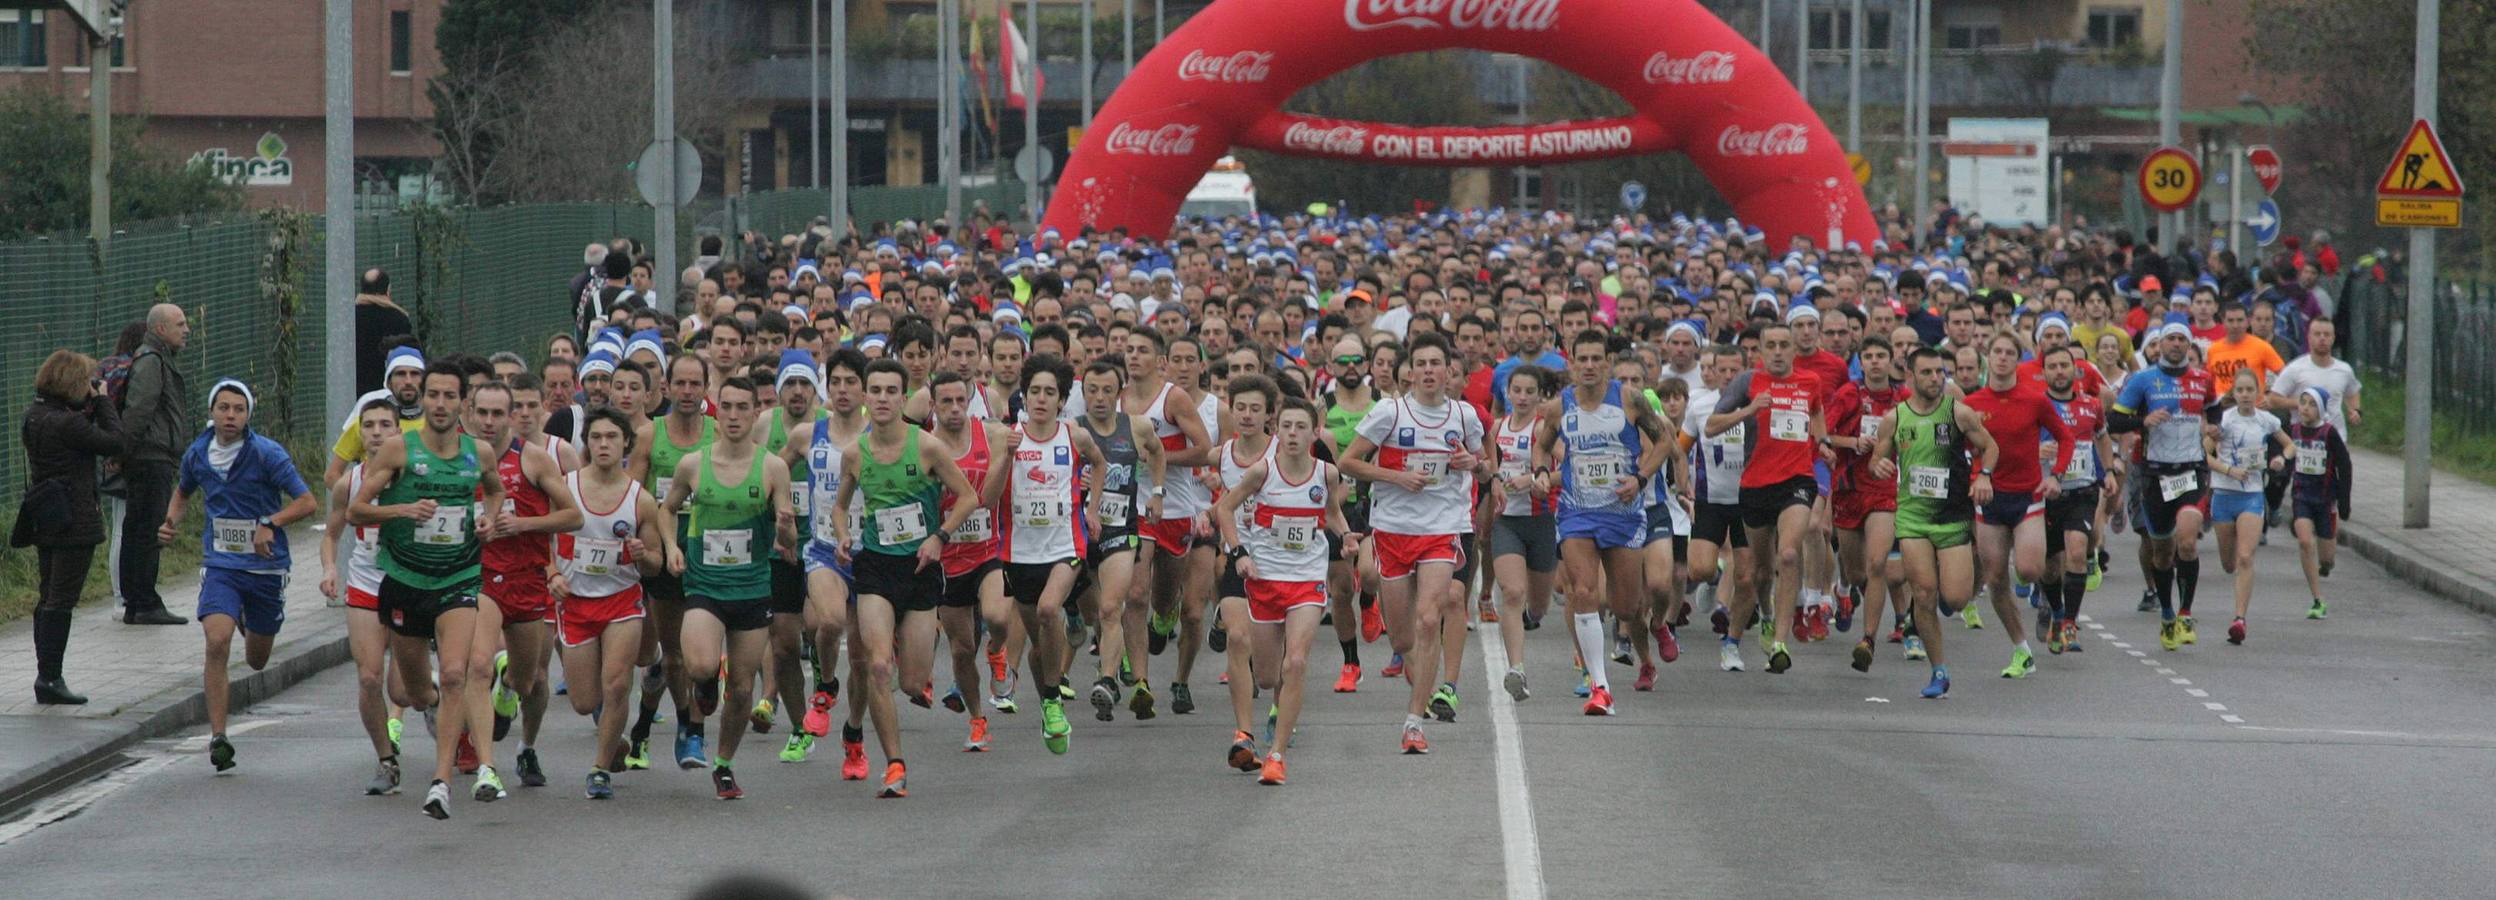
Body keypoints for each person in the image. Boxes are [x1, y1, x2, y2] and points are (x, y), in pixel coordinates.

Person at [349, 360, 504, 820]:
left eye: (448, 396)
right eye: (432, 395)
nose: (439, 404)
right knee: (414, 691)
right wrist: (403, 512)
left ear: (464, 404)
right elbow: (357, 510)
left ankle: (441, 782)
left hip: (458, 579)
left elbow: (492, 492)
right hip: (404, 582)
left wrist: (488, 519)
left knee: (456, 673)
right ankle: (430, 702)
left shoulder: (480, 453)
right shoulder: (398, 450)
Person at [830, 360, 984, 797]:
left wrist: (940, 536)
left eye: (889, 391)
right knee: (878, 667)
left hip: (919, 569)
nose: (881, 398)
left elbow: (969, 497)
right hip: (876, 567)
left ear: (904, 398)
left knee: (912, 682)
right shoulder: (855, 453)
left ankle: (908, 654)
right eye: (873, 390)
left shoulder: (928, 447)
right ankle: (894, 764)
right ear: (865, 397)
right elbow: (841, 506)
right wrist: (843, 537)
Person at [161, 379, 319, 771]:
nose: (230, 415)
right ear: (211, 412)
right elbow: (183, 492)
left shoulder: (267, 454)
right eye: (223, 408)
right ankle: (219, 737)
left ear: (247, 416)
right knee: (217, 640)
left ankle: (250, 618)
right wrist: (170, 523)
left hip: (266, 568)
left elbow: (308, 501)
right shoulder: (197, 453)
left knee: (258, 660)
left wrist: (271, 521)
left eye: (238, 409)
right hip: (221, 566)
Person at [1340, 333, 1486, 754]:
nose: (1427, 371)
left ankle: (1413, 722)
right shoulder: (1391, 413)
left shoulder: (1464, 416)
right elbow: (1348, 462)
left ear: (1448, 371)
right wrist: (1396, 477)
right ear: (1409, 373)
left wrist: (1471, 464)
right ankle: (1411, 663)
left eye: (1435, 363)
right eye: (1420, 364)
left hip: (1442, 527)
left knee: (1429, 619)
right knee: (1404, 638)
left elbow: (1484, 467)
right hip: (1393, 529)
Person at [660, 375, 795, 799]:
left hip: (753, 588)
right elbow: (666, 509)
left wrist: (786, 530)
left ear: (756, 413)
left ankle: (723, 763)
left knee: (740, 688)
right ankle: (703, 684)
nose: (734, 416)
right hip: (705, 583)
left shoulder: (773, 466)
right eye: (727, 407)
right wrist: (670, 548)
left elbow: (787, 541)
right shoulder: (694, 464)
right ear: (715, 413)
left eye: (743, 408)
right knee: (699, 665)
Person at [1532, 330, 1673, 714]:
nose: (1590, 366)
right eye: (1583, 359)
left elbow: (1665, 441)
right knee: (1582, 591)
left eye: (1598, 359)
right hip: (1577, 512)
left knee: (1626, 607)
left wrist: (1641, 478)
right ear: (1572, 364)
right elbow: (1542, 446)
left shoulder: (1630, 400)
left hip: (1623, 513)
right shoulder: (1560, 407)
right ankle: (1601, 686)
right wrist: (1543, 473)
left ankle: (1645, 658)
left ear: (1607, 364)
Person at [1212, 396, 1351, 786]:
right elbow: (1225, 509)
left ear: (1313, 433)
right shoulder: (1261, 472)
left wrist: (1346, 536)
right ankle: (1269, 718)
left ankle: (1277, 756)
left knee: (1297, 664)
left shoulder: (1326, 474)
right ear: (1278, 429)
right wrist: (1239, 553)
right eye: (1286, 427)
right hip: (1265, 580)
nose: (1292, 434)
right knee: (1270, 676)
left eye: (1300, 427)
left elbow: (1331, 514)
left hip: (1306, 580)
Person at [471, 376, 583, 790]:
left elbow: (574, 516)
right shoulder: (460, 460)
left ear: (513, 416)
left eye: (499, 413)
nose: (490, 421)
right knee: (478, 665)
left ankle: (526, 745)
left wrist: (522, 524)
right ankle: (486, 767)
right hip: (480, 578)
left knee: (531, 678)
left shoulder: (534, 460)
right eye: (482, 412)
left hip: (528, 579)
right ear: (470, 413)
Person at [1869, 347, 2000, 699]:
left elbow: (1990, 447)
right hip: (1912, 517)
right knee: (1924, 593)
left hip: (1952, 515)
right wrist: (1878, 466)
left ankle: (1964, 575)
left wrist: (1984, 475)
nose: (1934, 379)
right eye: (1926, 373)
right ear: (1910, 377)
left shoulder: (1958, 413)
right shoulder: (1894, 418)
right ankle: (1939, 669)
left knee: (1955, 599)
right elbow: (1878, 459)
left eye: (1939, 372)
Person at [553, 405, 670, 799]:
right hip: (576, 604)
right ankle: (613, 740)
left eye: (612, 438)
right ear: (587, 443)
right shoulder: (564, 487)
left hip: (622, 601)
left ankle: (600, 769)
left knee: (617, 685)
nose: (604, 444)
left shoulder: (641, 500)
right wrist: (551, 575)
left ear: (625, 445)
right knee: (585, 701)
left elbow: (655, 565)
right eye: (597, 437)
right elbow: (541, 543)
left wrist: (643, 554)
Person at [1706, 324, 1826, 676]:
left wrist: (1824, 442)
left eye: (1783, 345)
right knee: (1755, 574)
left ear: (1794, 350)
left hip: (1798, 481)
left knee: (1788, 554)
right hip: (1756, 484)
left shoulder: (1810, 382)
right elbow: (1712, 426)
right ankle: (1735, 639)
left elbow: (1816, 411)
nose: (1777, 351)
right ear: (1760, 350)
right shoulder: (1747, 383)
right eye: (1770, 345)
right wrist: (1750, 410)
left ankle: (1780, 644)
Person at [1961, 333, 2073, 679]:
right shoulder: (1972, 403)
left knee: (2028, 570)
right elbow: (1962, 450)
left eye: (2010, 353)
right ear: (1987, 357)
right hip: (1990, 498)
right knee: (1995, 579)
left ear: (2018, 360)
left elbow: (2065, 437)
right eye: (1997, 351)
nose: (2003, 358)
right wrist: (1975, 477)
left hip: (2027, 496)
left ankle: (2049, 601)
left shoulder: (2034, 399)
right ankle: (2021, 650)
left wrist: (2055, 475)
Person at [319, 398, 416, 794]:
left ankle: (432, 697)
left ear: (398, 432)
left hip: (409, 583)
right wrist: (329, 569)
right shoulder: (350, 482)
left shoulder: (417, 475)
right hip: (365, 584)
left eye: (384, 424)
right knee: (369, 677)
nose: (376, 432)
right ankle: (385, 760)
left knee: (403, 690)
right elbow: (331, 535)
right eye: (369, 425)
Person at [19, 350, 125, 705]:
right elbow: (115, 441)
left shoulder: (35, 415)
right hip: (75, 516)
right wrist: (105, 401)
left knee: (48, 593)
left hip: (46, 511)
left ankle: (45, 673)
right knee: (61, 599)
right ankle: (50, 677)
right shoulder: (68, 424)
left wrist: (87, 406)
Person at [2110, 317, 2217, 652]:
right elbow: (2113, 419)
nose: (2175, 345)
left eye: (2181, 340)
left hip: (2191, 472)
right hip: (2155, 474)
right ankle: (2168, 612)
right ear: (2159, 345)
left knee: (2186, 541)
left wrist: (2212, 430)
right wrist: (2142, 421)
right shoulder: (2144, 380)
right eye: (2169, 339)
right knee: (2161, 552)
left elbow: (2214, 411)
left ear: (2190, 346)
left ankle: (2186, 613)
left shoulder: (2202, 379)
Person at [1075, 359, 1167, 720]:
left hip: (1120, 528)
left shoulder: (1137, 427)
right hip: (1078, 533)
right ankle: (1103, 649)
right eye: (1092, 391)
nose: (1099, 398)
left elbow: (1158, 452)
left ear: (1120, 392)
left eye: (1107, 391)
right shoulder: (1072, 430)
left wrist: (1156, 492)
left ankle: (1108, 681)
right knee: (1093, 614)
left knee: (1113, 608)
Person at [116, 303, 195, 626]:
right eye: (180, 323)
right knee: (147, 529)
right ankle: (144, 601)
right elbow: (138, 411)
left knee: (137, 528)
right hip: (150, 457)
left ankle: (136, 601)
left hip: (150, 456)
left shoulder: (156, 358)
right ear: (160, 329)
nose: (186, 329)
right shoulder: (151, 360)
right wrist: (124, 451)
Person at [1486, 364, 1557, 698]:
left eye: (1531, 391)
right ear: (1507, 393)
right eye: (1517, 390)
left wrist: (1532, 480)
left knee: (1539, 604)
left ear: (1541, 396)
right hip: (1507, 521)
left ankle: (1535, 614)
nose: (1523, 397)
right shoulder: (1497, 426)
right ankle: (1517, 669)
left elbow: (1568, 468)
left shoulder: (1544, 430)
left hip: (1541, 520)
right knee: (1512, 593)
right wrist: (1491, 477)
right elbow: (1486, 466)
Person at [2038, 346, 2115, 656]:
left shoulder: (2091, 405)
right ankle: (2056, 612)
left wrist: (2108, 470)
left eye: (2064, 365)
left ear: (2075, 369)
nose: (2059, 371)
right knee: (2049, 568)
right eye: (2053, 366)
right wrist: (2036, 450)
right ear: (2044, 372)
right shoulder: (2035, 405)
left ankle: (2069, 621)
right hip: (2044, 494)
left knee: (2078, 550)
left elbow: (2102, 436)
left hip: (2082, 491)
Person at [2204, 369, 2290, 646]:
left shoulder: (2266, 420)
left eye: (2249, 390)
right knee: (2229, 563)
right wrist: (2228, 469)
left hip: (2252, 494)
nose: (2244, 395)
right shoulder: (2224, 420)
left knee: (2245, 558)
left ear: (2258, 393)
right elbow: (2203, 454)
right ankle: (2237, 605)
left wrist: (2280, 460)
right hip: (2224, 494)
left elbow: (2289, 446)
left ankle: (2239, 619)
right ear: (2234, 393)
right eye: (2239, 390)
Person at [2284, 386, 2352, 620]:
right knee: (2304, 541)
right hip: (2301, 496)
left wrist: (2344, 501)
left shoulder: (2328, 433)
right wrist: (2278, 469)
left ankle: (2326, 564)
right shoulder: (2292, 431)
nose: (2305, 408)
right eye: (2303, 402)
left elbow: (2345, 465)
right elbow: (2285, 457)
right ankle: (2317, 599)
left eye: (2312, 404)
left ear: (2321, 409)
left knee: (2327, 558)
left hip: (2325, 499)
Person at [355, 268, 415, 397]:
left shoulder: (349, 318)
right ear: (388, 290)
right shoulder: (399, 319)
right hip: (386, 390)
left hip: (353, 388)